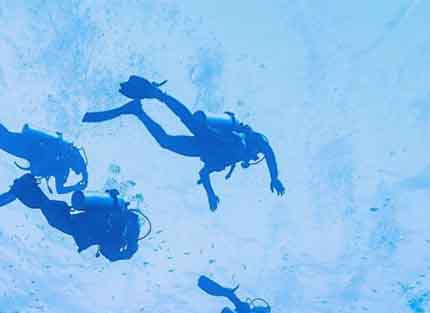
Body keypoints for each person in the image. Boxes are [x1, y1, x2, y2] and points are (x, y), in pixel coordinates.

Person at [83, 76, 283, 211]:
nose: (253, 158)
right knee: (186, 118)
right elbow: (269, 151)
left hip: (201, 146)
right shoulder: (252, 141)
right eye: (255, 156)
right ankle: (157, 94)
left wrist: (211, 195)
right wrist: (274, 177)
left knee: (166, 141)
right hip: (209, 134)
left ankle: (137, 110)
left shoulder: (229, 161)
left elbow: (204, 173)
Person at [0, 174, 142, 261]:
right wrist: (129, 248)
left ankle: (25, 187)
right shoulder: (128, 231)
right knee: (47, 209)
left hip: (82, 221)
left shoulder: (122, 218)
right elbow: (114, 254)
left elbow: (113, 252)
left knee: (47, 207)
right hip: (82, 227)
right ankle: (24, 187)